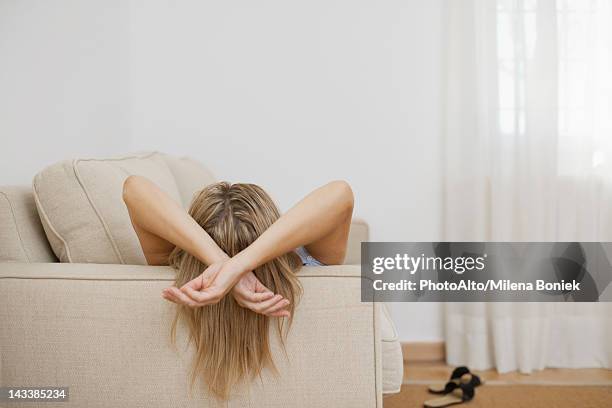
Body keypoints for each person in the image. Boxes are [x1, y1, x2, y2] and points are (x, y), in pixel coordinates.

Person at [122, 176, 354, 399]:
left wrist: (228, 266)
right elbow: (341, 193)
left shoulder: (174, 265)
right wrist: (235, 267)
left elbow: (133, 188)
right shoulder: (309, 266)